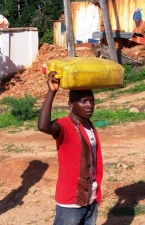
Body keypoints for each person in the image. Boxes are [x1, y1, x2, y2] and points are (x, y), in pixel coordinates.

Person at [38, 71, 103, 225]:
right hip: (70, 203)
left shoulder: (89, 126)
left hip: (91, 199)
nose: (90, 105)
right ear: (71, 104)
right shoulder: (65, 125)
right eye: (84, 101)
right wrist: (51, 92)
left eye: (92, 101)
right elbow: (43, 126)